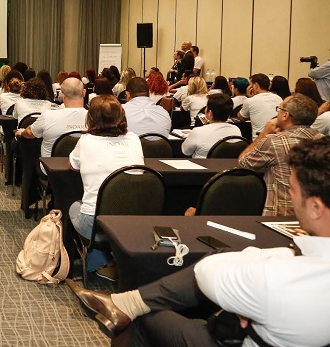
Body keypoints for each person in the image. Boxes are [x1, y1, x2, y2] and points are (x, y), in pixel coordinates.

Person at [66, 135, 330, 347]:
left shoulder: (282, 278)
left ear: (316, 207)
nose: (291, 199)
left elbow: (206, 272)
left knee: (146, 317)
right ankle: (127, 303)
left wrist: (258, 271)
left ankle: (129, 304)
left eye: (292, 190)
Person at [68, 95, 144, 273]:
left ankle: (96, 260)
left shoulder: (86, 141)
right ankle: (108, 259)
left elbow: (72, 165)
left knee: (72, 205)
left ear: (90, 118)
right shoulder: (134, 139)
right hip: (133, 220)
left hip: (94, 224)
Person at [238, 93, 321, 216]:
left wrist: (264, 133)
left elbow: (244, 163)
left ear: (285, 115)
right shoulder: (323, 141)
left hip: (280, 216)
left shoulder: (273, 142)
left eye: (280, 109)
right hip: (316, 215)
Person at [16, 77, 88, 158]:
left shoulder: (48, 115)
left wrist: (22, 132)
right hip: (83, 168)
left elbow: (29, 133)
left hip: (51, 169)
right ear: (84, 92)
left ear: (62, 94)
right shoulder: (96, 119)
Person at [181, 93, 242, 159]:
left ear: (209, 112)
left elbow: (186, 152)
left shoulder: (198, 131)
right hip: (229, 167)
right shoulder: (236, 130)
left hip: (201, 167)